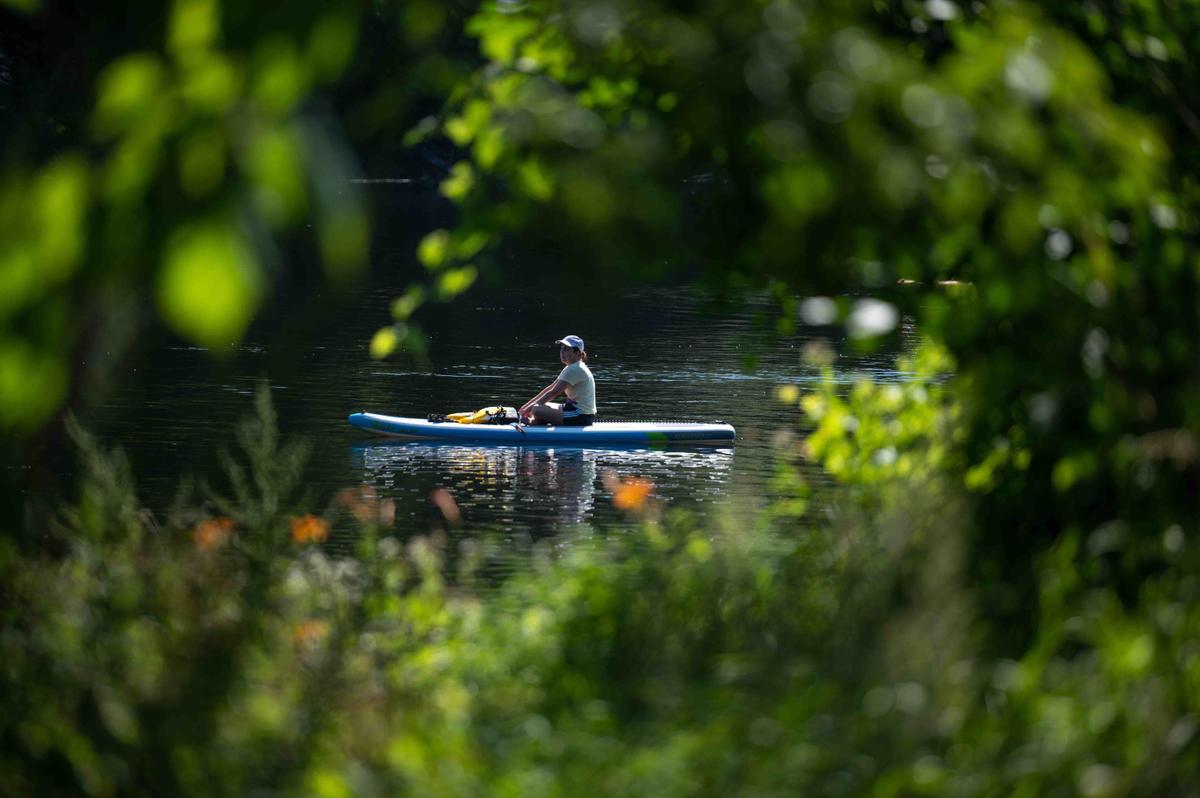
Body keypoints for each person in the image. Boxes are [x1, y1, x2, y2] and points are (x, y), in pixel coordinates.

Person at [519, 334, 596, 426]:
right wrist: (524, 408)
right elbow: (549, 388)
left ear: (577, 353)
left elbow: (554, 392)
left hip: (580, 416)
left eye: (566, 349)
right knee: (539, 407)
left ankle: (529, 421)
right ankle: (534, 421)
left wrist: (529, 409)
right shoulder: (571, 367)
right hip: (575, 410)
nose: (562, 352)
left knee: (536, 409)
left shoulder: (575, 369)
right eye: (562, 349)